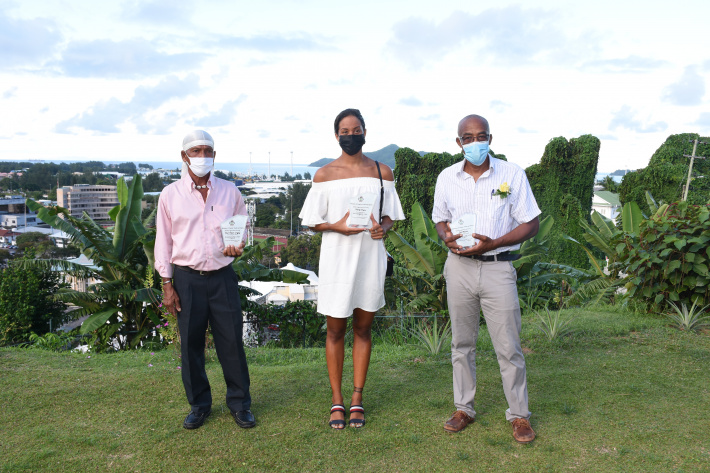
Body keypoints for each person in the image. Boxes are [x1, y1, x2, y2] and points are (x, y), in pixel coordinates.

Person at [433, 114, 541, 443]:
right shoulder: (447, 177)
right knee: (462, 344)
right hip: (459, 267)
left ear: (490, 139)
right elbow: (440, 220)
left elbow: (531, 224)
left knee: (509, 347)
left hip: (498, 266)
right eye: (468, 137)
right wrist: (447, 237)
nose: (475, 142)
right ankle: (463, 408)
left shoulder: (512, 174)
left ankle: (519, 416)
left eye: (481, 136)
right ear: (458, 142)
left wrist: (494, 242)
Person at [299, 109, 405, 429]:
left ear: (364, 132)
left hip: (370, 257)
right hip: (336, 258)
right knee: (335, 330)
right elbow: (312, 222)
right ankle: (337, 399)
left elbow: (389, 216)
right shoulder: (324, 174)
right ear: (336, 136)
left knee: (362, 328)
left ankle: (357, 397)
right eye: (344, 131)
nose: (351, 135)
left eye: (356, 129)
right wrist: (338, 227)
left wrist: (382, 229)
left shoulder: (381, 171)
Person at [155, 130, 255, 430]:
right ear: (184, 156)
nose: (202, 156)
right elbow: (163, 242)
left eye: (207, 151)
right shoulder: (170, 194)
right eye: (196, 151)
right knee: (191, 346)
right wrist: (167, 285)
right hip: (186, 280)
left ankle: (239, 404)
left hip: (222, 277)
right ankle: (199, 405)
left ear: (214, 155)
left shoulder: (230, 192)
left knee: (231, 343)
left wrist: (238, 246)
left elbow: (241, 230)